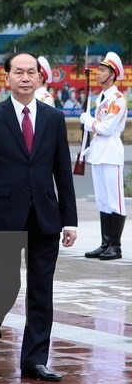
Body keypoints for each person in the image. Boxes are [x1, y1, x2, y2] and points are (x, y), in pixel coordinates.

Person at [0, 51, 77, 382]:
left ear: (40, 78)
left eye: (32, 72)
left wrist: (70, 219)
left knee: (42, 291)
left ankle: (34, 360)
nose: (26, 77)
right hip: (4, 215)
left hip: (45, 217)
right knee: (2, 285)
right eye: (19, 72)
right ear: (8, 78)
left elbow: (63, 171)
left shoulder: (53, 118)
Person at [80, 52, 127, 260]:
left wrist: (87, 121)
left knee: (115, 201)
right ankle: (105, 242)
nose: (98, 73)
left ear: (112, 74)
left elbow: (106, 128)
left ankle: (115, 246)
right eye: (99, 70)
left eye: (102, 70)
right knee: (103, 200)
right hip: (99, 151)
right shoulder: (101, 98)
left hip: (111, 151)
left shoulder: (117, 99)